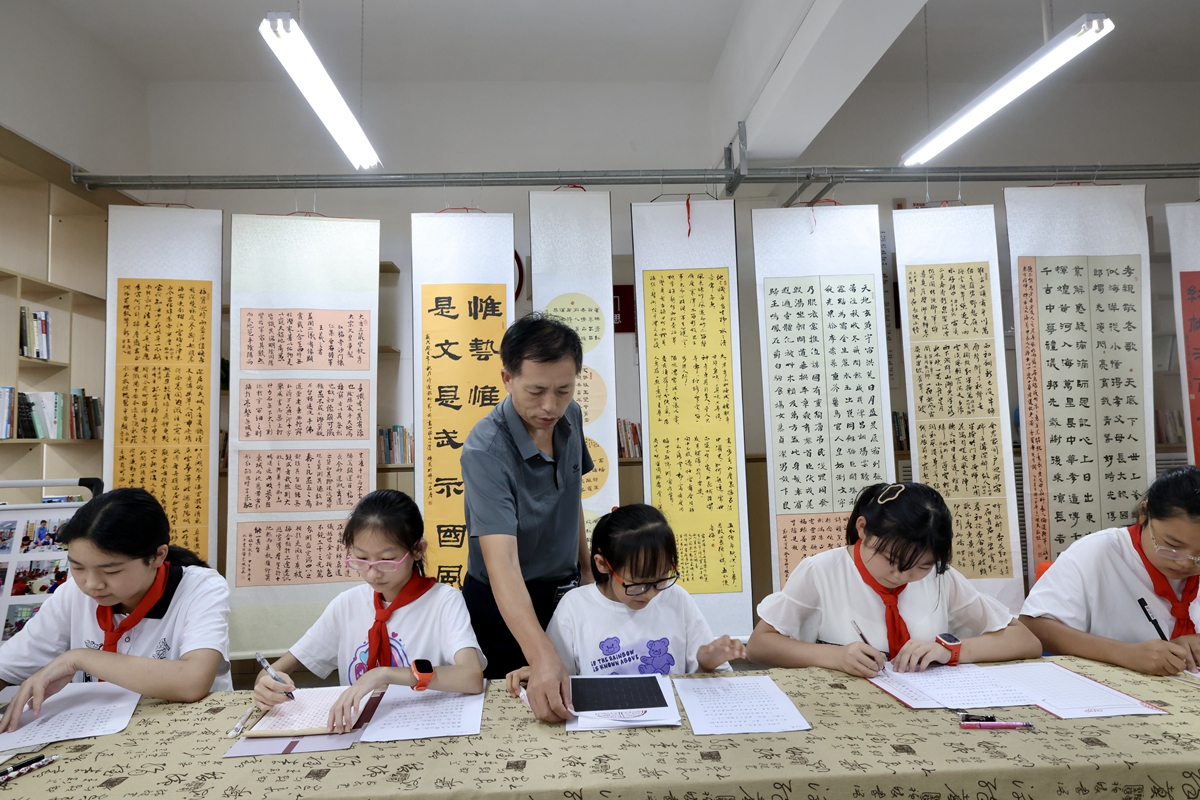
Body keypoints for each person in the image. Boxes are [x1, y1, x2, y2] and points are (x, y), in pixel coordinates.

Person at [747, 482, 1042, 676]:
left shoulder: (942, 578)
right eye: (891, 560)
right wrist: (835, 657)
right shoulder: (821, 571)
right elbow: (760, 645)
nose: (901, 575)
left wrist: (949, 651)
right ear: (863, 529)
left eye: (921, 567)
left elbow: (1025, 640)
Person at [0, 488, 232, 732]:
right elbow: (6, 667)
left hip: (183, 734)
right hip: (93, 736)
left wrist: (77, 658)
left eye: (111, 571)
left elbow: (192, 681)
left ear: (157, 556)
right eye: (78, 568)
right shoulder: (73, 594)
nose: (91, 584)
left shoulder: (200, 588)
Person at [254, 490, 484, 733]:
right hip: (356, 734)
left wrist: (384, 674)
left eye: (387, 560)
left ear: (418, 550)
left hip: (423, 730)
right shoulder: (348, 604)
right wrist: (266, 684)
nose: (373, 573)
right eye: (361, 559)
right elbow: (276, 669)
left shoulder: (444, 602)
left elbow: (471, 676)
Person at [460, 313, 593, 722]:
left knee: (577, 713)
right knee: (511, 721)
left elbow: (572, 499)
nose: (550, 406)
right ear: (507, 377)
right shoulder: (486, 450)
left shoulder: (570, 418)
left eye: (563, 390)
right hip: (505, 605)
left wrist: (589, 581)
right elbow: (503, 567)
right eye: (536, 391)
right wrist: (541, 653)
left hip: (565, 594)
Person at [506, 504, 744, 697]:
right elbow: (559, 679)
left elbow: (697, 684)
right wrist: (537, 673)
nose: (651, 594)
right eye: (638, 584)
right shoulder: (575, 607)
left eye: (661, 580)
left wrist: (706, 664)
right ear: (602, 565)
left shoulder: (676, 599)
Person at [1021, 467, 1200, 675]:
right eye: (1172, 546)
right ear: (1144, 514)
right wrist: (1125, 653)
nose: (1186, 563)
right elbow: (1033, 626)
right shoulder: (1097, 552)